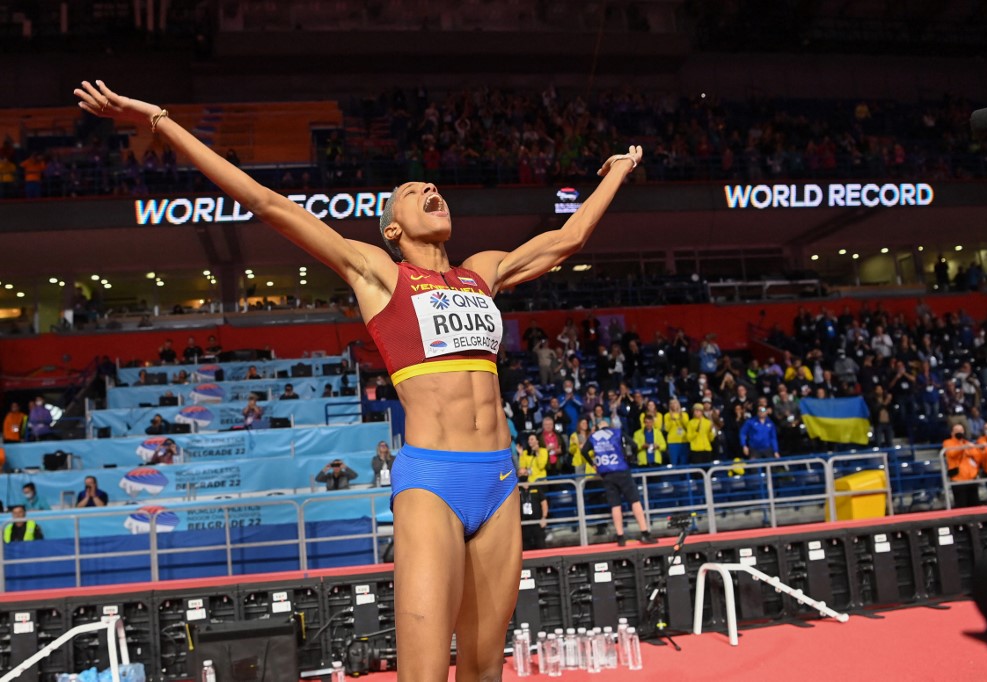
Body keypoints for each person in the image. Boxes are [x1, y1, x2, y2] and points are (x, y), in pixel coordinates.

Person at [76, 78, 641, 680]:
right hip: (434, 481)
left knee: (485, 673)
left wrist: (617, 171)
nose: (430, 188)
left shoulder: (482, 273)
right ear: (391, 229)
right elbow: (268, 203)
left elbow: (568, 238)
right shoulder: (377, 272)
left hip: (500, 478)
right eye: (413, 190)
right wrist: (159, 120)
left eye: (434, 185)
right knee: (422, 674)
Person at [581, 420, 658, 547]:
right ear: (609, 426)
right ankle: (645, 533)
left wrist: (593, 464)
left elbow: (584, 451)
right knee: (634, 501)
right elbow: (633, 445)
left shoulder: (593, 437)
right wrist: (629, 458)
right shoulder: (616, 432)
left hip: (606, 474)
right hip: (621, 470)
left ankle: (620, 537)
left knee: (615, 505)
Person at [943, 424, 980, 508]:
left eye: (961, 430)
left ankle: (975, 521)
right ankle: (963, 521)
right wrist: (963, 447)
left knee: (975, 504)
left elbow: (977, 456)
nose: (959, 432)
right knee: (961, 505)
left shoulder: (968, 443)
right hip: (958, 479)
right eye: (957, 431)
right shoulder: (948, 443)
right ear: (952, 433)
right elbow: (952, 454)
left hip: (972, 478)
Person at [518, 478, 548, 551]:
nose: (523, 475)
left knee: (541, 545)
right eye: (521, 473)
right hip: (523, 524)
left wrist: (544, 517)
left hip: (537, 522)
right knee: (525, 547)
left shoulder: (536, 488)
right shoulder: (516, 489)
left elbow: (544, 503)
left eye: (524, 472)